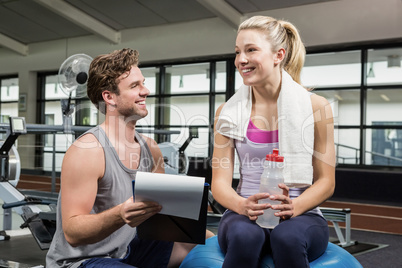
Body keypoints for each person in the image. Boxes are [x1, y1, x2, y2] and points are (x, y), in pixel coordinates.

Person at [46, 48, 209, 268]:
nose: (146, 91)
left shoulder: (150, 148)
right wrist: (121, 214)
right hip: (81, 261)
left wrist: (217, 238)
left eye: (143, 83)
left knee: (208, 247)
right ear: (109, 97)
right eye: (135, 86)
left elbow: (164, 218)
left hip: (129, 250)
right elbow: (73, 232)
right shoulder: (87, 150)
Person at [211, 16, 335, 268]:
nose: (240, 60)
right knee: (246, 237)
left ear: (279, 55)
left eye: (251, 50)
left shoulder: (316, 107)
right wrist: (242, 206)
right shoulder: (226, 112)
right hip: (243, 211)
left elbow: (326, 181)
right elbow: (219, 183)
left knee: (287, 238)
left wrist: (296, 206)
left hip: (302, 213)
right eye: (237, 52)